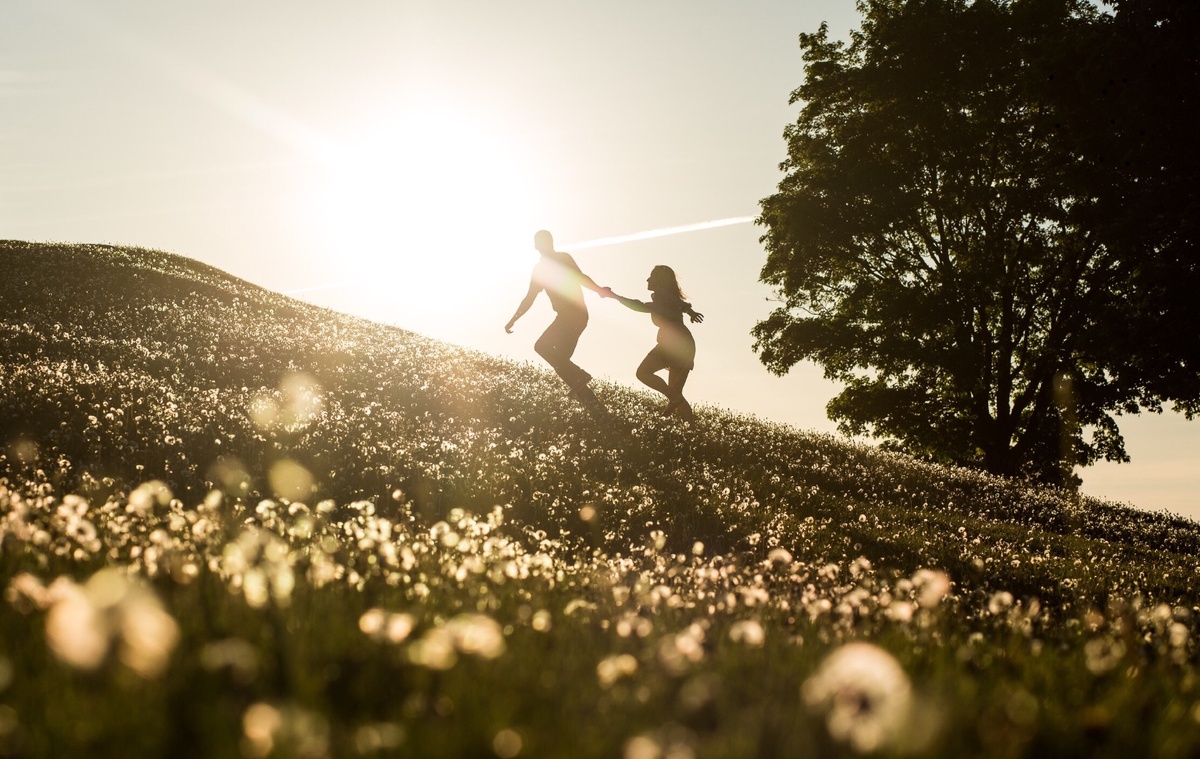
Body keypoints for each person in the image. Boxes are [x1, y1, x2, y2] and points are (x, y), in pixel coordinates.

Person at [506, 230, 608, 403]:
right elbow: (530, 297)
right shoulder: (540, 269)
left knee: (542, 347)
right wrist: (513, 319)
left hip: (573, 315)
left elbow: (580, 277)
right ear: (537, 246)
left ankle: (580, 379)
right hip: (574, 316)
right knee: (561, 362)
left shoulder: (562, 259)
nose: (543, 246)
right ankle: (590, 400)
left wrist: (599, 290)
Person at [603, 265, 703, 419]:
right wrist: (688, 311)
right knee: (676, 394)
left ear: (660, 280)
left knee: (643, 373)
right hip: (685, 344)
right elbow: (646, 306)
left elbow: (646, 305)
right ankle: (691, 430)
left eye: (651, 276)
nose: (647, 279)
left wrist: (614, 296)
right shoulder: (662, 299)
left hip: (673, 342)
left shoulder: (662, 294)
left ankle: (674, 400)